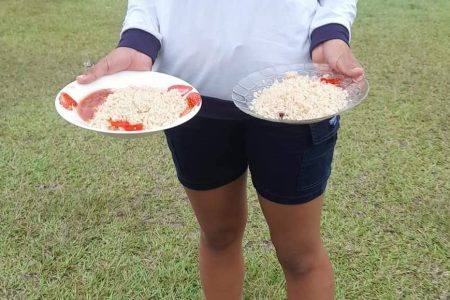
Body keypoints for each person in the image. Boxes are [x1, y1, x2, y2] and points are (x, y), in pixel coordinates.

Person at [77, 1, 364, 299]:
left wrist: (331, 32)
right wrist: (139, 38)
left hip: (294, 89)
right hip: (193, 95)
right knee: (218, 235)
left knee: (298, 254)